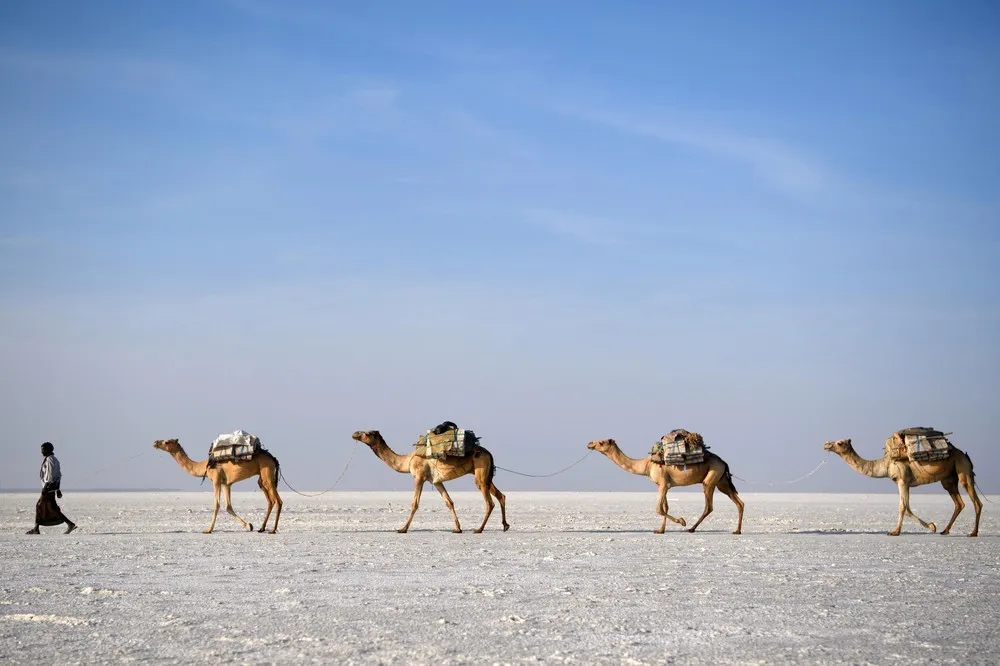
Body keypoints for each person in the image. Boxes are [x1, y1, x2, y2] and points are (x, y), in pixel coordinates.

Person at [26, 442, 76, 535]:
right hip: (52, 487)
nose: (42, 452)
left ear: (47, 450)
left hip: (48, 487)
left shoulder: (50, 460)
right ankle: (36, 528)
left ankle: (70, 524)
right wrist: (58, 489)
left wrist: (45, 487)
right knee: (42, 506)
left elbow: (50, 475)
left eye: (43, 450)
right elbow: (58, 475)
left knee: (46, 507)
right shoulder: (53, 459)